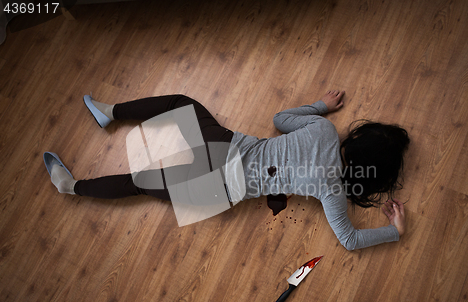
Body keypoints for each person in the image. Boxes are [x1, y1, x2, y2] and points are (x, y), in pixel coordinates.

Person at [44, 90, 410, 251]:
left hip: (225, 145)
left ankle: (110, 111)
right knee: (139, 184)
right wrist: (394, 232)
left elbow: (279, 119)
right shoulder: (334, 191)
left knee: (180, 104)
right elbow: (349, 241)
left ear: (360, 138)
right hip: (220, 191)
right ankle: (72, 187)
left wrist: (319, 106)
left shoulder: (324, 129)